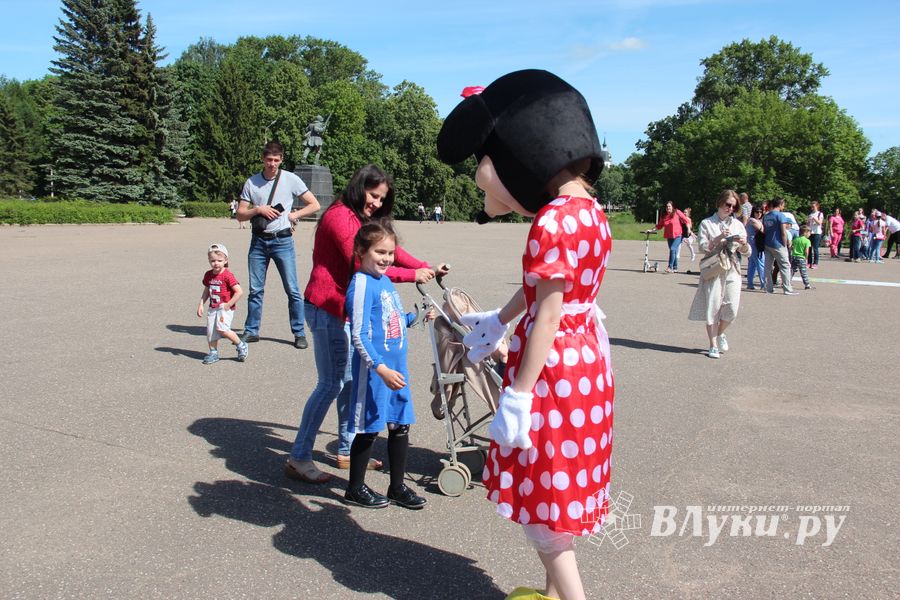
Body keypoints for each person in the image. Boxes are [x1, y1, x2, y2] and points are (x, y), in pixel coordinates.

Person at [438, 69, 613, 600]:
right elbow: (543, 288)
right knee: (560, 489)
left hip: (555, 368)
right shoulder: (590, 211)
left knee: (545, 505)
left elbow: (551, 309)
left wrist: (517, 393)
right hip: (586, 362)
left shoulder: (552, 221)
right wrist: (499, 318)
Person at [284, 164, 447, 485]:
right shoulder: (340, 217)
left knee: (347, 382)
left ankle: (346, 449)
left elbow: (389, 249)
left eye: (381, 199)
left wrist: (425, 266)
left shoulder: (359, 217)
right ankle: (299, 456)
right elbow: (365, 264)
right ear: (360, 187)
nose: (376, 203)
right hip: (327, 307)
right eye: (373, 195)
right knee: (331, 383)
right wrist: (412, 275)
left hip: (343, 309)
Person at [343, 221, 431, 509]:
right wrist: (379, 368)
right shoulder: (361, 284)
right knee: (369, 428)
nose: (387, 258)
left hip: (397, 369)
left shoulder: (384, 281)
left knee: (400, 425)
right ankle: (354, 488)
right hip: (374, 372)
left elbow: (391, 322)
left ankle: (397, 486)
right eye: (380, 251)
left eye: (391, 253)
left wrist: (414, 317)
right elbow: (359, 334)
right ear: (361, 251)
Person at [235, 141, 320, 349]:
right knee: (255, 290)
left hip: (282, 241)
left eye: (276, 160)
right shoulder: (252, 182)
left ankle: (299, 333)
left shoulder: (291, 179)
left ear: (281, 159)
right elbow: (240, 214)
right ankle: (252, 330)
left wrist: (294, 215)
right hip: (258, 242)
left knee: (292, 290)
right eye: (269, 160)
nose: (272, 164)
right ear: (263, 159)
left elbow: (314, 204)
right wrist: (258, 210)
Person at [689, 190, 750, 358]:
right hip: (714, 268)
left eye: (733, 206)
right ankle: (713, 344)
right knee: (713, 307)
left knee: (732, 309)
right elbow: (702, 247)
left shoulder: (737, 224)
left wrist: (744, 244)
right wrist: (719, 238)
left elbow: (747, 251)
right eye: (727, 204)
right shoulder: (707, 223)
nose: (730, 208)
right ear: (719, 203)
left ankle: (720, 332)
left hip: (732, 267)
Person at [197, 244, 249, 364]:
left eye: (219, 260)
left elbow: (239, 292)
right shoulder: (208, 275)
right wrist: (201, 304)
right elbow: (207, 290)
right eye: (213, 261)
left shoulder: (227, 275)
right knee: (211, 332)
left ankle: (241, 345)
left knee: (223, 329)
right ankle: (213, 352)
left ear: (226, 260)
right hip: (213, 307)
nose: (216, 263)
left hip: (224, 308)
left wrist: (228, 304)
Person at [762, 197, 797, 295]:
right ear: (780, 205)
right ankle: (787, 289)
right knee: (785, 266)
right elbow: (783, 232)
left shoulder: (766, 216)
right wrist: (785, 244)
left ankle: (768, 288)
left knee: (768, 267)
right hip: (778, 244)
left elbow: (764, 231)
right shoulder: (781, 216)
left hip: (767, 243)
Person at [652, 200, 690, 273]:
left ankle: (670, 267)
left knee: (672, 249)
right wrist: (652, 230)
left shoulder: (677, 212)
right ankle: (675, 267)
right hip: (669, 236)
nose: (668, 207)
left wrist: (688, 229)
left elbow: (686, 220)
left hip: (678, 235)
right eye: (666, 206)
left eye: (669, 206)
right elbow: (659, 225)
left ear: (672, 207)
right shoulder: (664, 215)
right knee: (673, 251)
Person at [745, 204, 766, 290]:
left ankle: (750, 284)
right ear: (753, 212)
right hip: (755, 244)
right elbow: (762, 230)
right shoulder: (752, 220)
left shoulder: (757, 220)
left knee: (752, 265)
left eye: (761, 212)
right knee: (761, 263)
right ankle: (764, 284)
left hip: (754, 243)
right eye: (757, 212)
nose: (759, 213)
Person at [790, 225, 815, 289]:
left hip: (794, 256)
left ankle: (787, 282)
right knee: (803, 272)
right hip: (801, 257)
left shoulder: (795, 239)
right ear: (805, 233)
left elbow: (791, 247)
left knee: (792, 270)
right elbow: (806, 251)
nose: (810, 234)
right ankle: (807, 285)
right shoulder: (807, 241)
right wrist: (806, 258)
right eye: (809, 233)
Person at [806, 200, 824, 268]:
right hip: (810, 232)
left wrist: (814, 219)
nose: (812, 208)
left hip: (817, 232)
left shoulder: (820, 214)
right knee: (809, 248)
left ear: (817, 206)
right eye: (811, 206)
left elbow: (820, 223)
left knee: (815, 248)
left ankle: (815, 263)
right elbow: (808, 224)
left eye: (813, 206)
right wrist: (808, 221)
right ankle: (809, 262)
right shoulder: (810, 214)